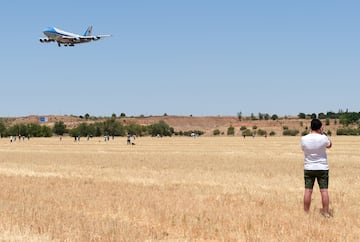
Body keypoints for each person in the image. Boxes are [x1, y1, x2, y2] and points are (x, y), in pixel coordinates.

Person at [301, 118, 332, 218]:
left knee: (308, 191)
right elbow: (329, 145)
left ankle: (306, 213)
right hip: (322, 167)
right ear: (320, 128)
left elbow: (303, 148)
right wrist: (324, 134)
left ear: (310, 127)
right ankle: (326, 213)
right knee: (324, 191)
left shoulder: (304, 138)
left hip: (309, 167)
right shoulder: (323, 138)